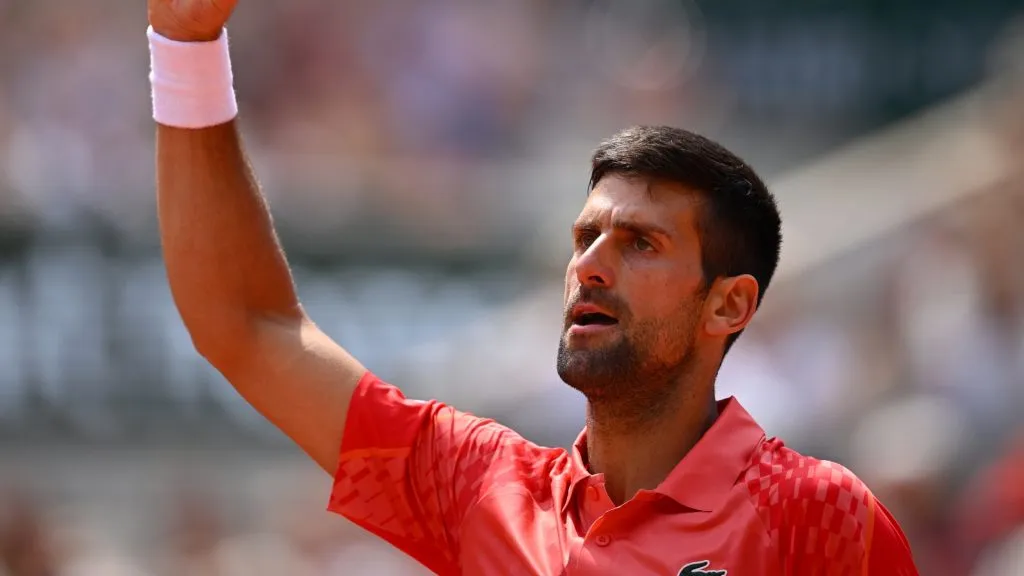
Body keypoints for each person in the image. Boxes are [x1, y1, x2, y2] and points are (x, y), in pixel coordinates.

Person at [146, 1, 920, 574]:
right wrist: (185, 46)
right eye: (585, 238)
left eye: (641, 244)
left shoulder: (817, 513)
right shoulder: (480, 485)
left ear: (729, 304)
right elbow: (246, 326)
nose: (591, 265)